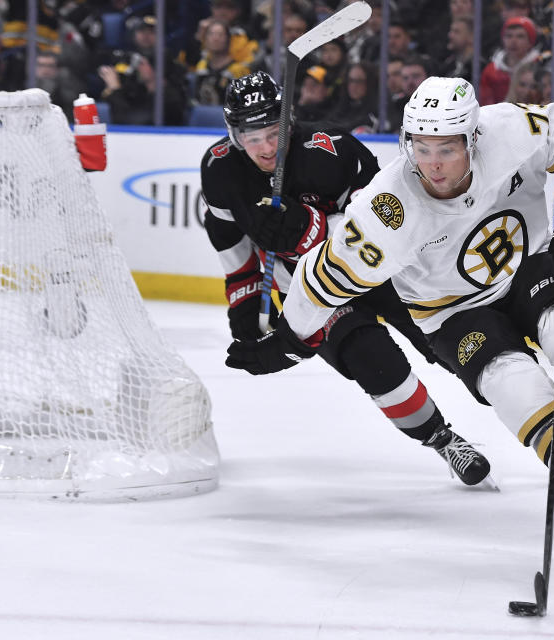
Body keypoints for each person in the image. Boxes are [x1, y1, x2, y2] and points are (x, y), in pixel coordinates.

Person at [234, 76, 554, 568]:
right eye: (422, 148)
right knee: (519, 396)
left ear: (473, 139)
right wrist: (289, 337)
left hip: (530, 266)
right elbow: (322, 280)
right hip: (452, 313)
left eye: (447, 149)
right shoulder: (386, 211)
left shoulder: (511, 130)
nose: (433, 164)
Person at [200, 71, 492, 487]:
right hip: (313, 287)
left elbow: (389, 221)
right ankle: (443, 441)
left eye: (271, 133)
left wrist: (313, 228)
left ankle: (528, 407)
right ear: (233, 136)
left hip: (384, 271)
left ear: (288, 121)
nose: (265, 148)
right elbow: (229, 239)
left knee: (449, 346)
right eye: (252, 138)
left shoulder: (333, 152)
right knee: (373, 362)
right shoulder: (220, 170)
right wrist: (244, 303)